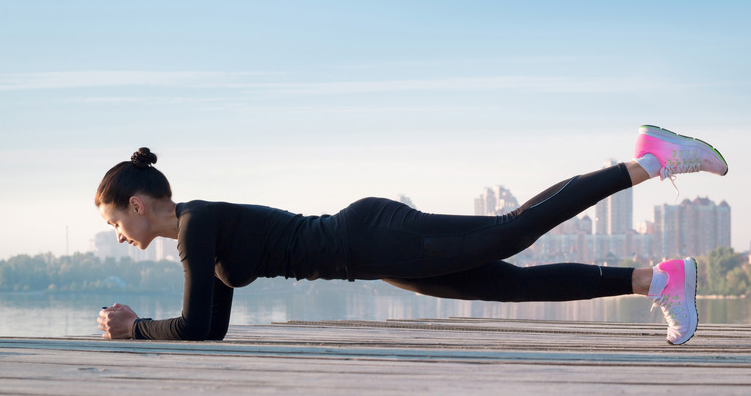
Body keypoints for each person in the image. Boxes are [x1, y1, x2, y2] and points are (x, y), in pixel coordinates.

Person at [96, 125, 728, 345]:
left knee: (512, 231)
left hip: (371, 237)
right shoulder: (201, 231)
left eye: (115, 221)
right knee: (509, 284)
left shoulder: (197, 227)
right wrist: (146, 328)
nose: (119, 234)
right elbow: (208, 331)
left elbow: (190, 328)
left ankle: (651, 160)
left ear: (140, 204)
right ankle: (657, 281)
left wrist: (135, 328)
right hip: (375, 257)